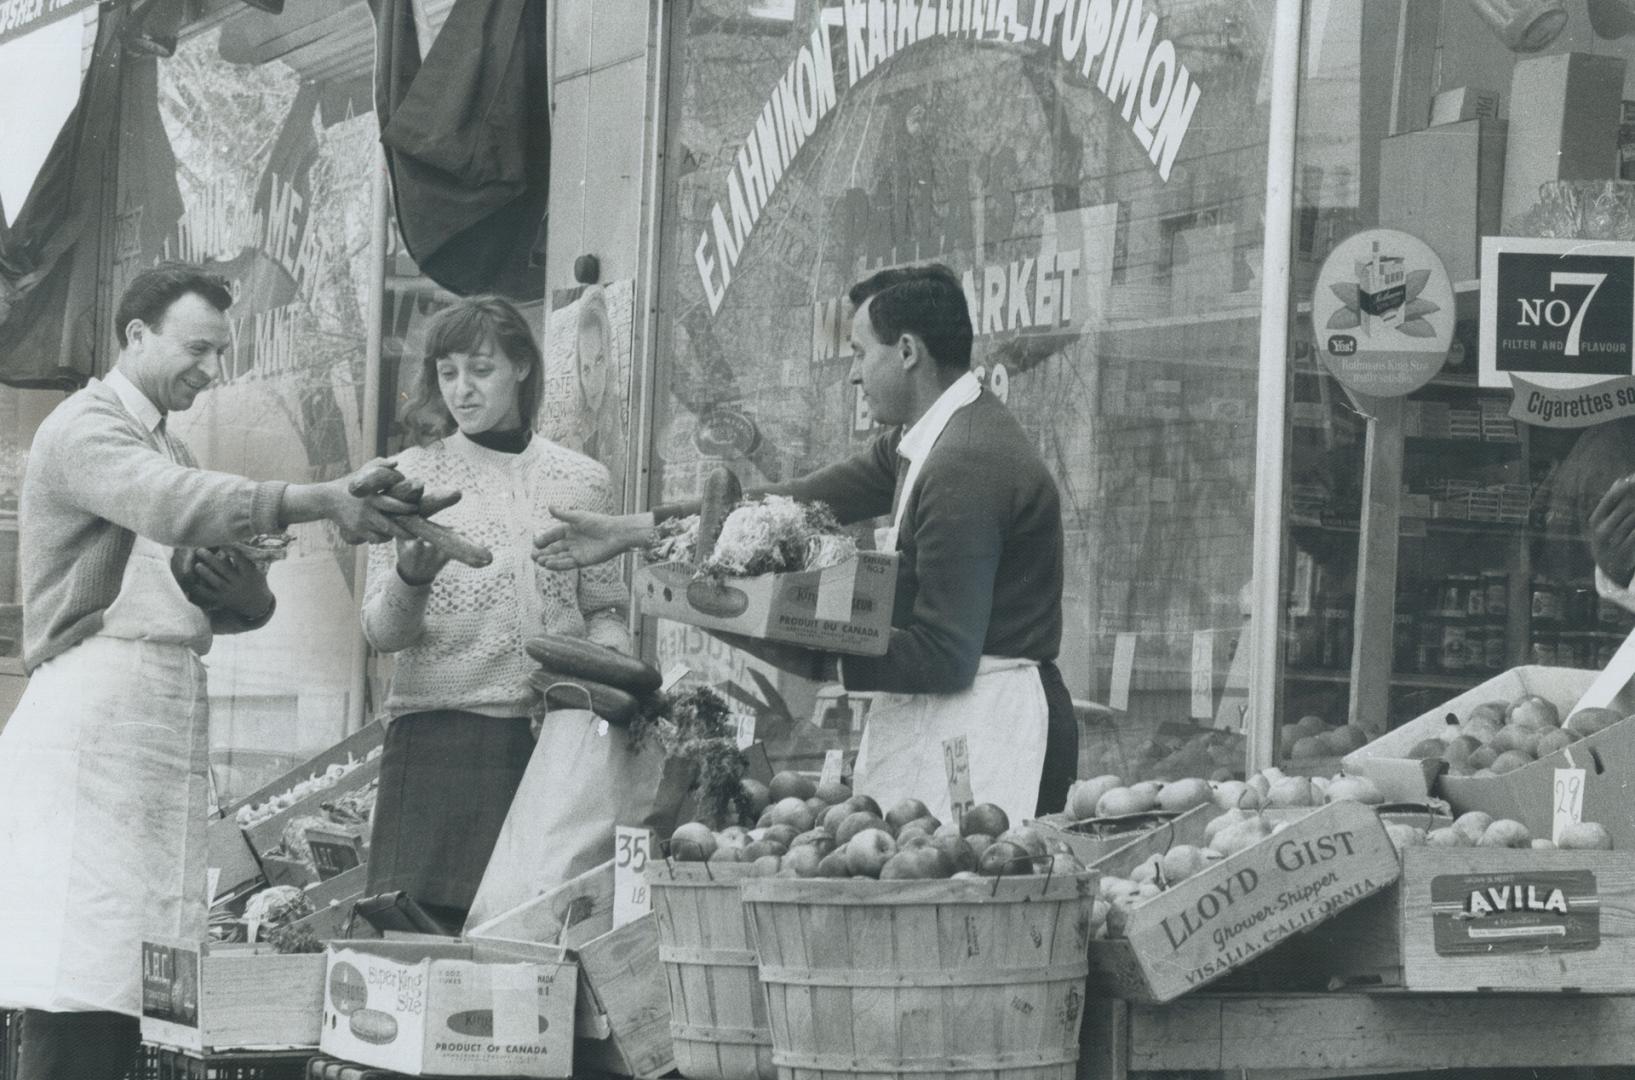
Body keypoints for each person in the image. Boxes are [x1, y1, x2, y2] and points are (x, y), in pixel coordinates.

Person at [0, 263, 417, 1080]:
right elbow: (171, 503)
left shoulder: (167, 439)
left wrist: (243, 595)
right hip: (92, 716)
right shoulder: (85, 429)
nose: (212, 369)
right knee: (74, 973)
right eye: (198, 347)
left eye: (221, 352)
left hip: (154, 714)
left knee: (128, 978)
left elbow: (221, 601)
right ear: (136, 336)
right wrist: (322, 495)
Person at [536, 263, 1076, 824]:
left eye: (861, 353)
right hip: (957, 715)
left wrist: (789, 643)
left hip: (993, 726)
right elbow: (791, 499)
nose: (854, 376)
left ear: (908, 352)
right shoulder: (928, 438)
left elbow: (943, 655)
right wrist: (634, 530)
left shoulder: (966, 459)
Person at [361, 295, 629, 932]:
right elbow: (380, 632)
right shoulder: (406, 481)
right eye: (447, 372)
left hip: (554, 749)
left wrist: (610, 671)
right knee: (425, 946)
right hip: (442, 748)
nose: (461, 389)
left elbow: (605, 607)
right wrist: (411, 579)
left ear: (522, 369)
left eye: (480, 369)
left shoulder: (582, 481)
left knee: (537, 940)